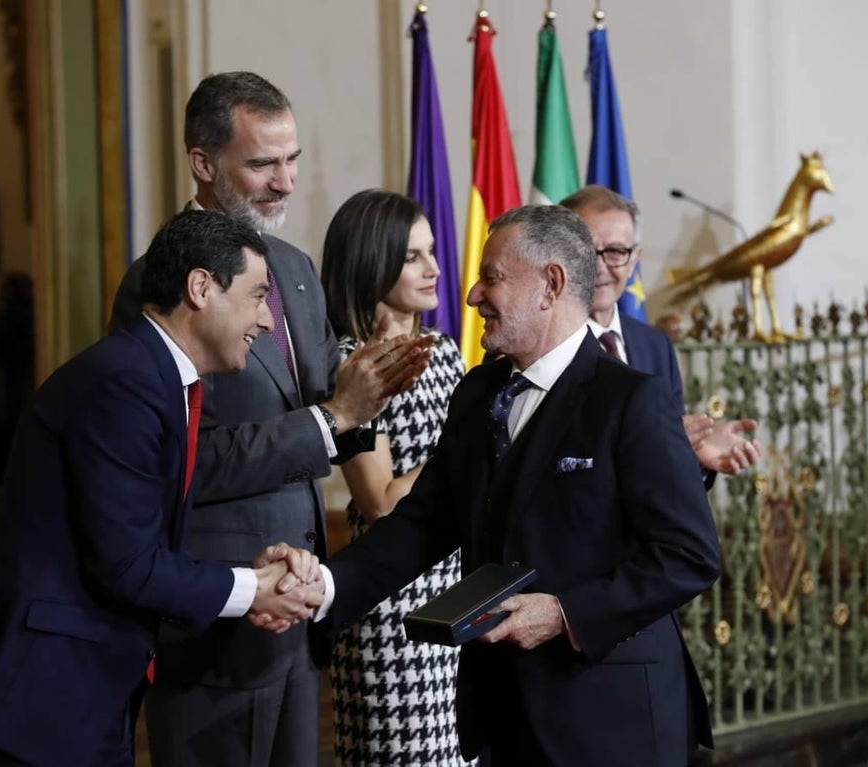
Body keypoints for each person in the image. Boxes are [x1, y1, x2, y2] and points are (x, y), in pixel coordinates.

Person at [308, 205, 722, 765]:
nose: (474, 294)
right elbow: (424, 524)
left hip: (610, 718)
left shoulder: (632, 402)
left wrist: (564, 614)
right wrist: (323, 589)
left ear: (550, 285)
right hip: (501, 716)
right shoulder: (478, 392)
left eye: (492, 277)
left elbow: (688, 555)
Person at [110, 73, 431, 767]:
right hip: (218, 611)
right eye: (263, 164)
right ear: (204, 163)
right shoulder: (158, 283)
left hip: (302, 597)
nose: (285, 182)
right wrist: (333, 413)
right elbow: (180, 461)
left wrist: (372, 390)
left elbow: (335, 411)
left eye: (293, 161)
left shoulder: (295, 267)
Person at [0, 210, 323, 767]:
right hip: (36, 696)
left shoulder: (155, 377)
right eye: (257, 295)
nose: (265, 320)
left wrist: (256, 575)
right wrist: (253, 588)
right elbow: (128, 565)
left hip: (77, 692)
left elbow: (139, 537)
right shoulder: (126, 384)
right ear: (200, 288)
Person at [319, 189, 469, 765]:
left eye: (431, 252)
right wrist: (461, 451)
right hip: (390, 608)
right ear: (370, 261)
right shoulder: (353, 364)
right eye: (413, 257)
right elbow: (380, 502)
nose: (435, 268)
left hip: (458, 593)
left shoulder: (446, 351)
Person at [559, 185, 760, 477]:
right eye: (585, 253)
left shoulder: (655, 346)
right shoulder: (538, 349)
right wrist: (661, 440)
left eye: (615, 252)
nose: (600, 268)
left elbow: (666, 457)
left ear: (634, 262)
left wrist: (697, 454)